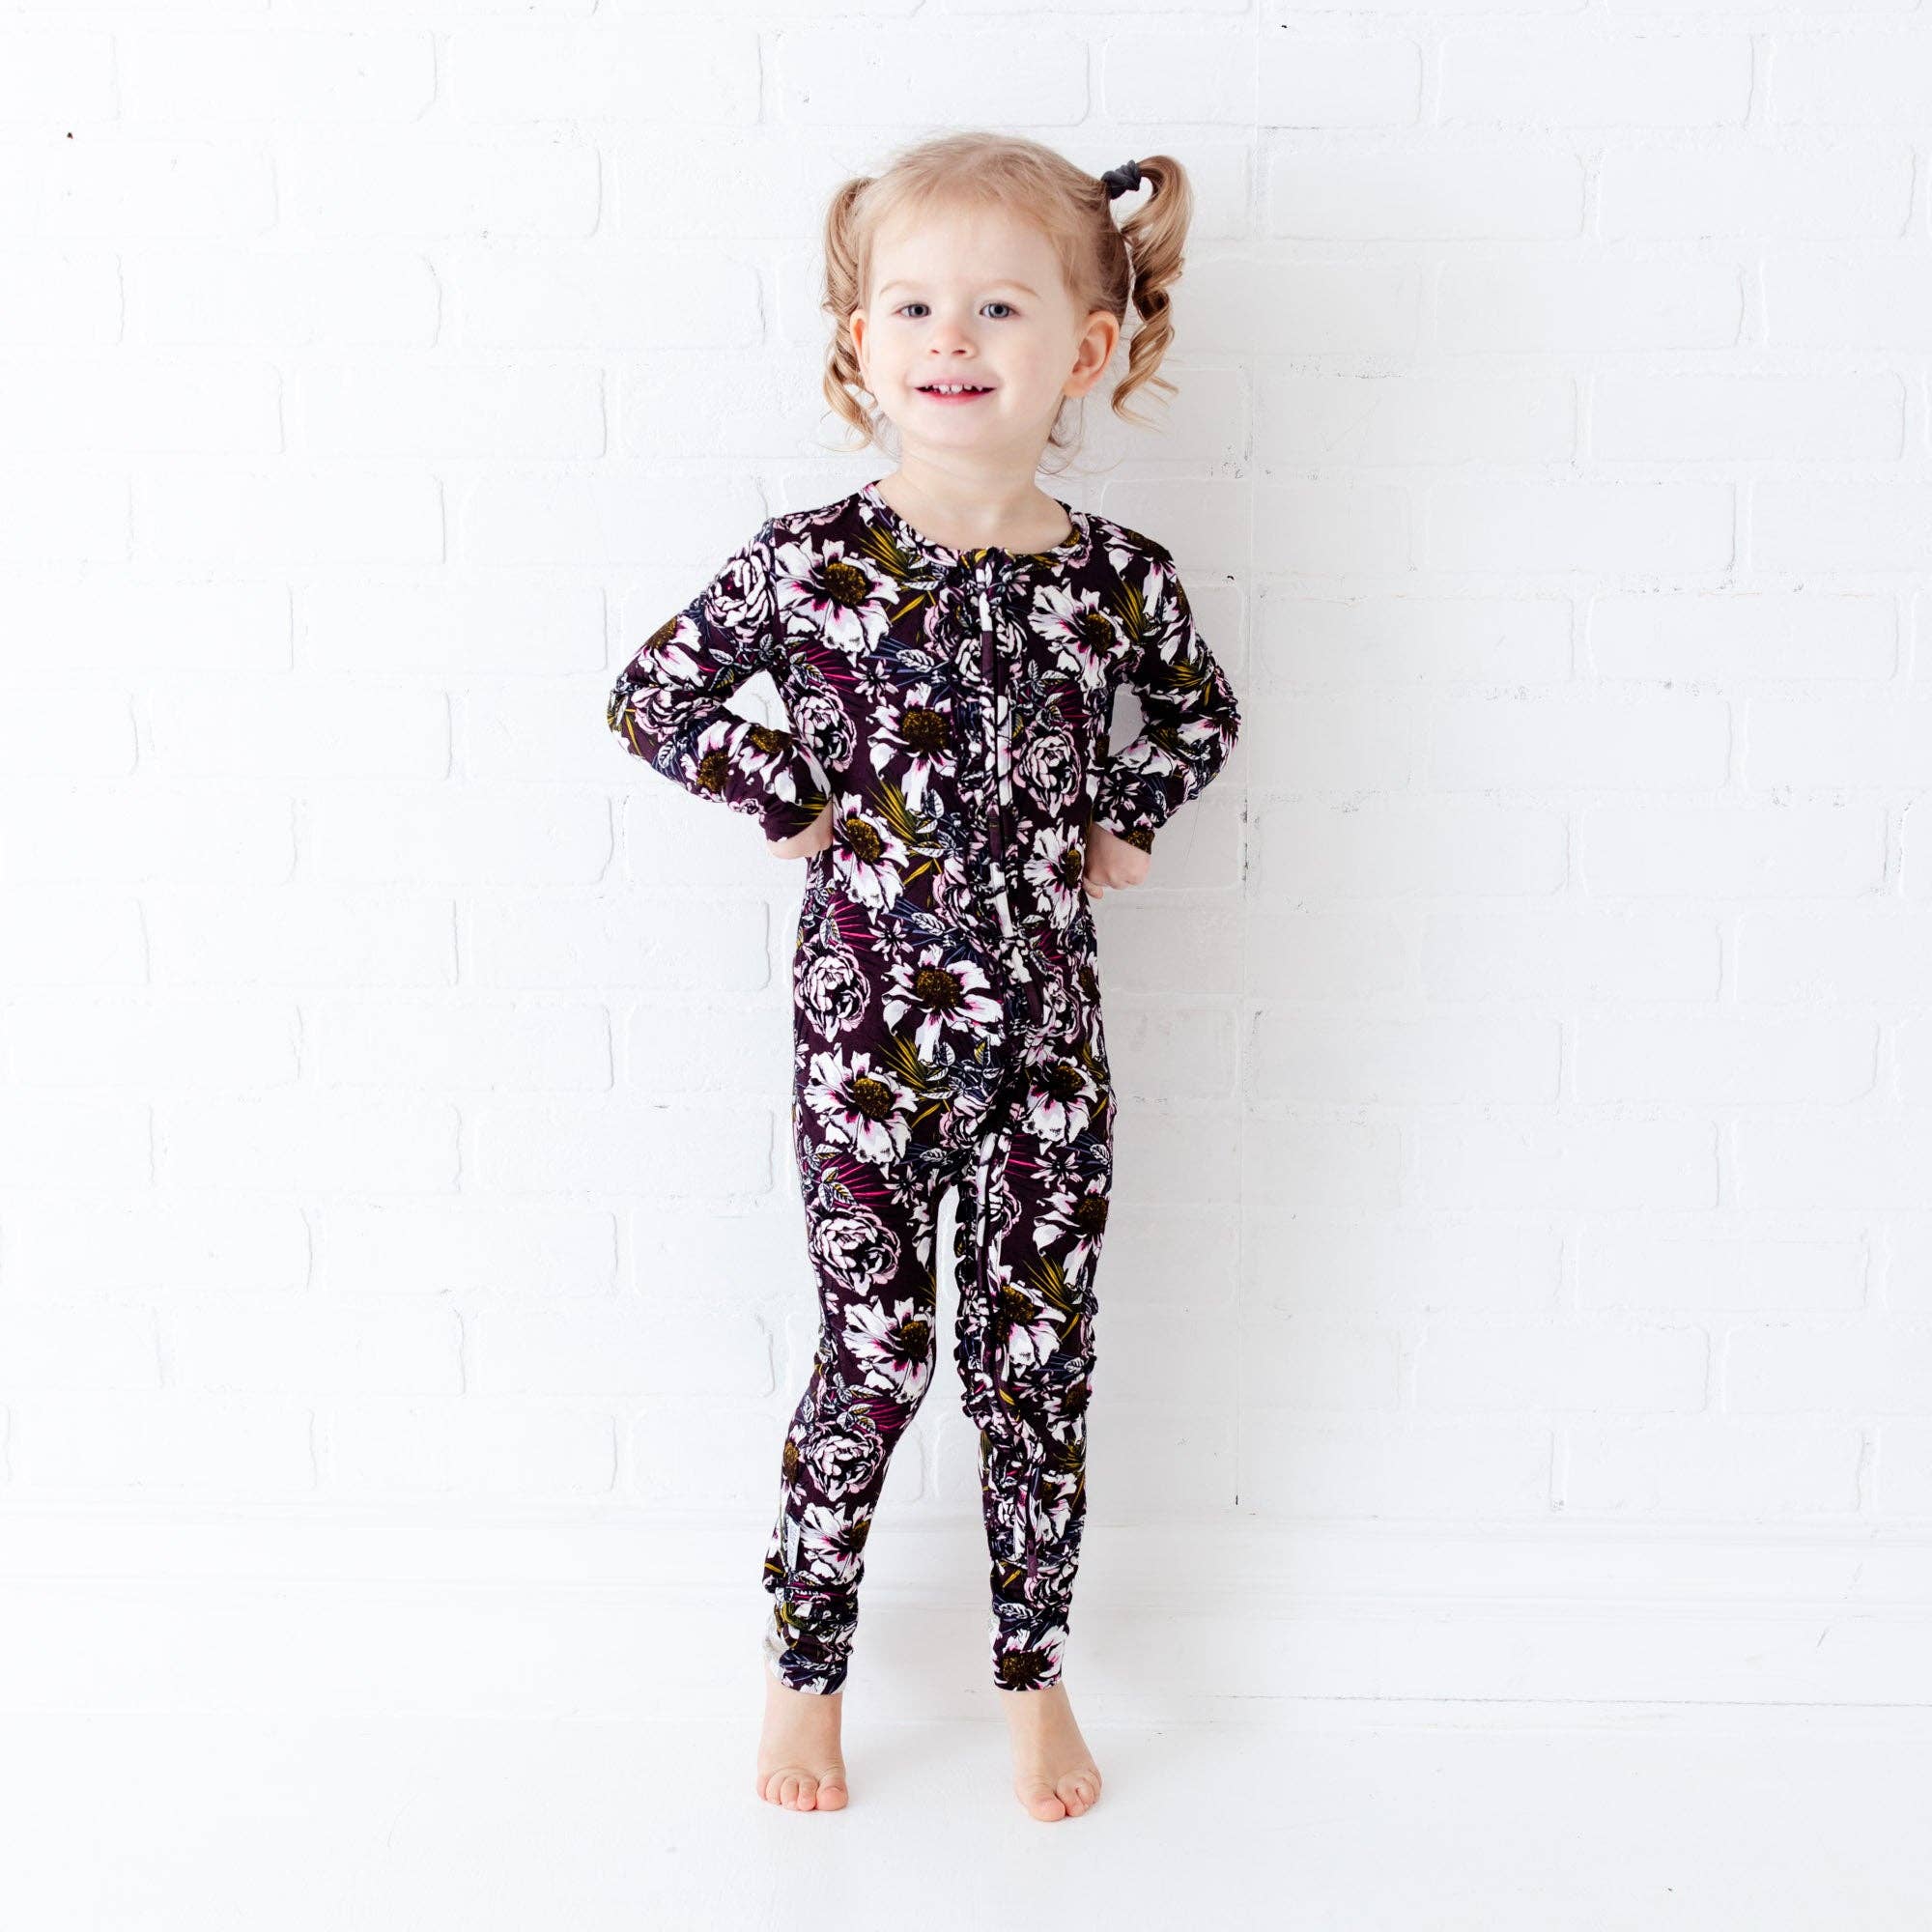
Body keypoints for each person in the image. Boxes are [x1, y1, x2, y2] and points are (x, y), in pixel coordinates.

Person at [604, 130, 1241, 1823]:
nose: (952, 338)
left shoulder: (1116, 580)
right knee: (874, 1360)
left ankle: (1035, 1678)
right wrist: (786, 795)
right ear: (860, 342)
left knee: (1038, 1365)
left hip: (1048, 1055)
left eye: (998, 308)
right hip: (868, 1050)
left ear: (1085, 351)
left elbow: (1201, 716)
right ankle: (803, 1676)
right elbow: (653, 699)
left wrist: (1129, 812)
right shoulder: (808, 562)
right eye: (914, 307)